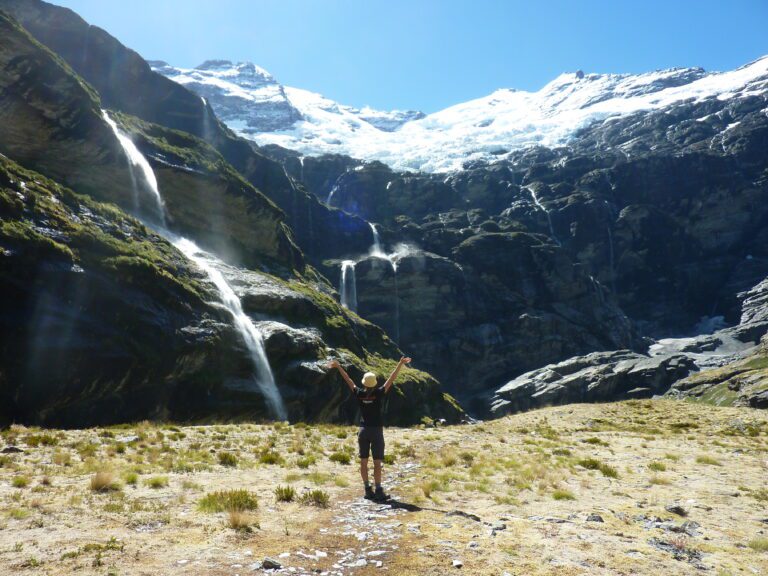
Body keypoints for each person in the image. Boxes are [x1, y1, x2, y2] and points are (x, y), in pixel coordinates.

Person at [326, 356, 411, 501]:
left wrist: (338, 366)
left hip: (363, 430)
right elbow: (391, 379)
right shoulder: (378, 394)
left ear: (364, 383)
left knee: (363, 461)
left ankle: (367, 489)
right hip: (376, 430)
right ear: (374, 384)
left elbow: (348, 380)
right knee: (377, 462)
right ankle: (378, 489)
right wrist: (400, 363)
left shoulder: (359, 393)